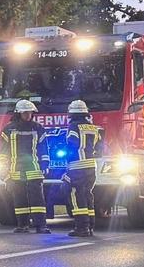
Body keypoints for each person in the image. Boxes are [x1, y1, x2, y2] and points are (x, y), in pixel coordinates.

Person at [42, 99, 104, 236]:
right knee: (88, 195)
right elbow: (99, 148)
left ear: (72, 114)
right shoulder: (93, 128)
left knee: (75, 195)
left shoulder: (73, 127)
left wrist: (66, 155)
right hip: (91, 167)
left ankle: (81, 228)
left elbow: (72, 144)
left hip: (77, 167)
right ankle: (90, 226)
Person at [2, 98, 45, 233]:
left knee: (37, 199)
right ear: (18, 113)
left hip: (34, 169)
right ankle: (22, 225)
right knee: (19, 199)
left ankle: (41, 226)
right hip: (16, 170)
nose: (28, 115)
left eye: (30, 113)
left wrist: (45, 165)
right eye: (25, 113)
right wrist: (4, 170)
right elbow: (3, 151)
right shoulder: (8, 129)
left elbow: (43, 149)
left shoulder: (38, 128)